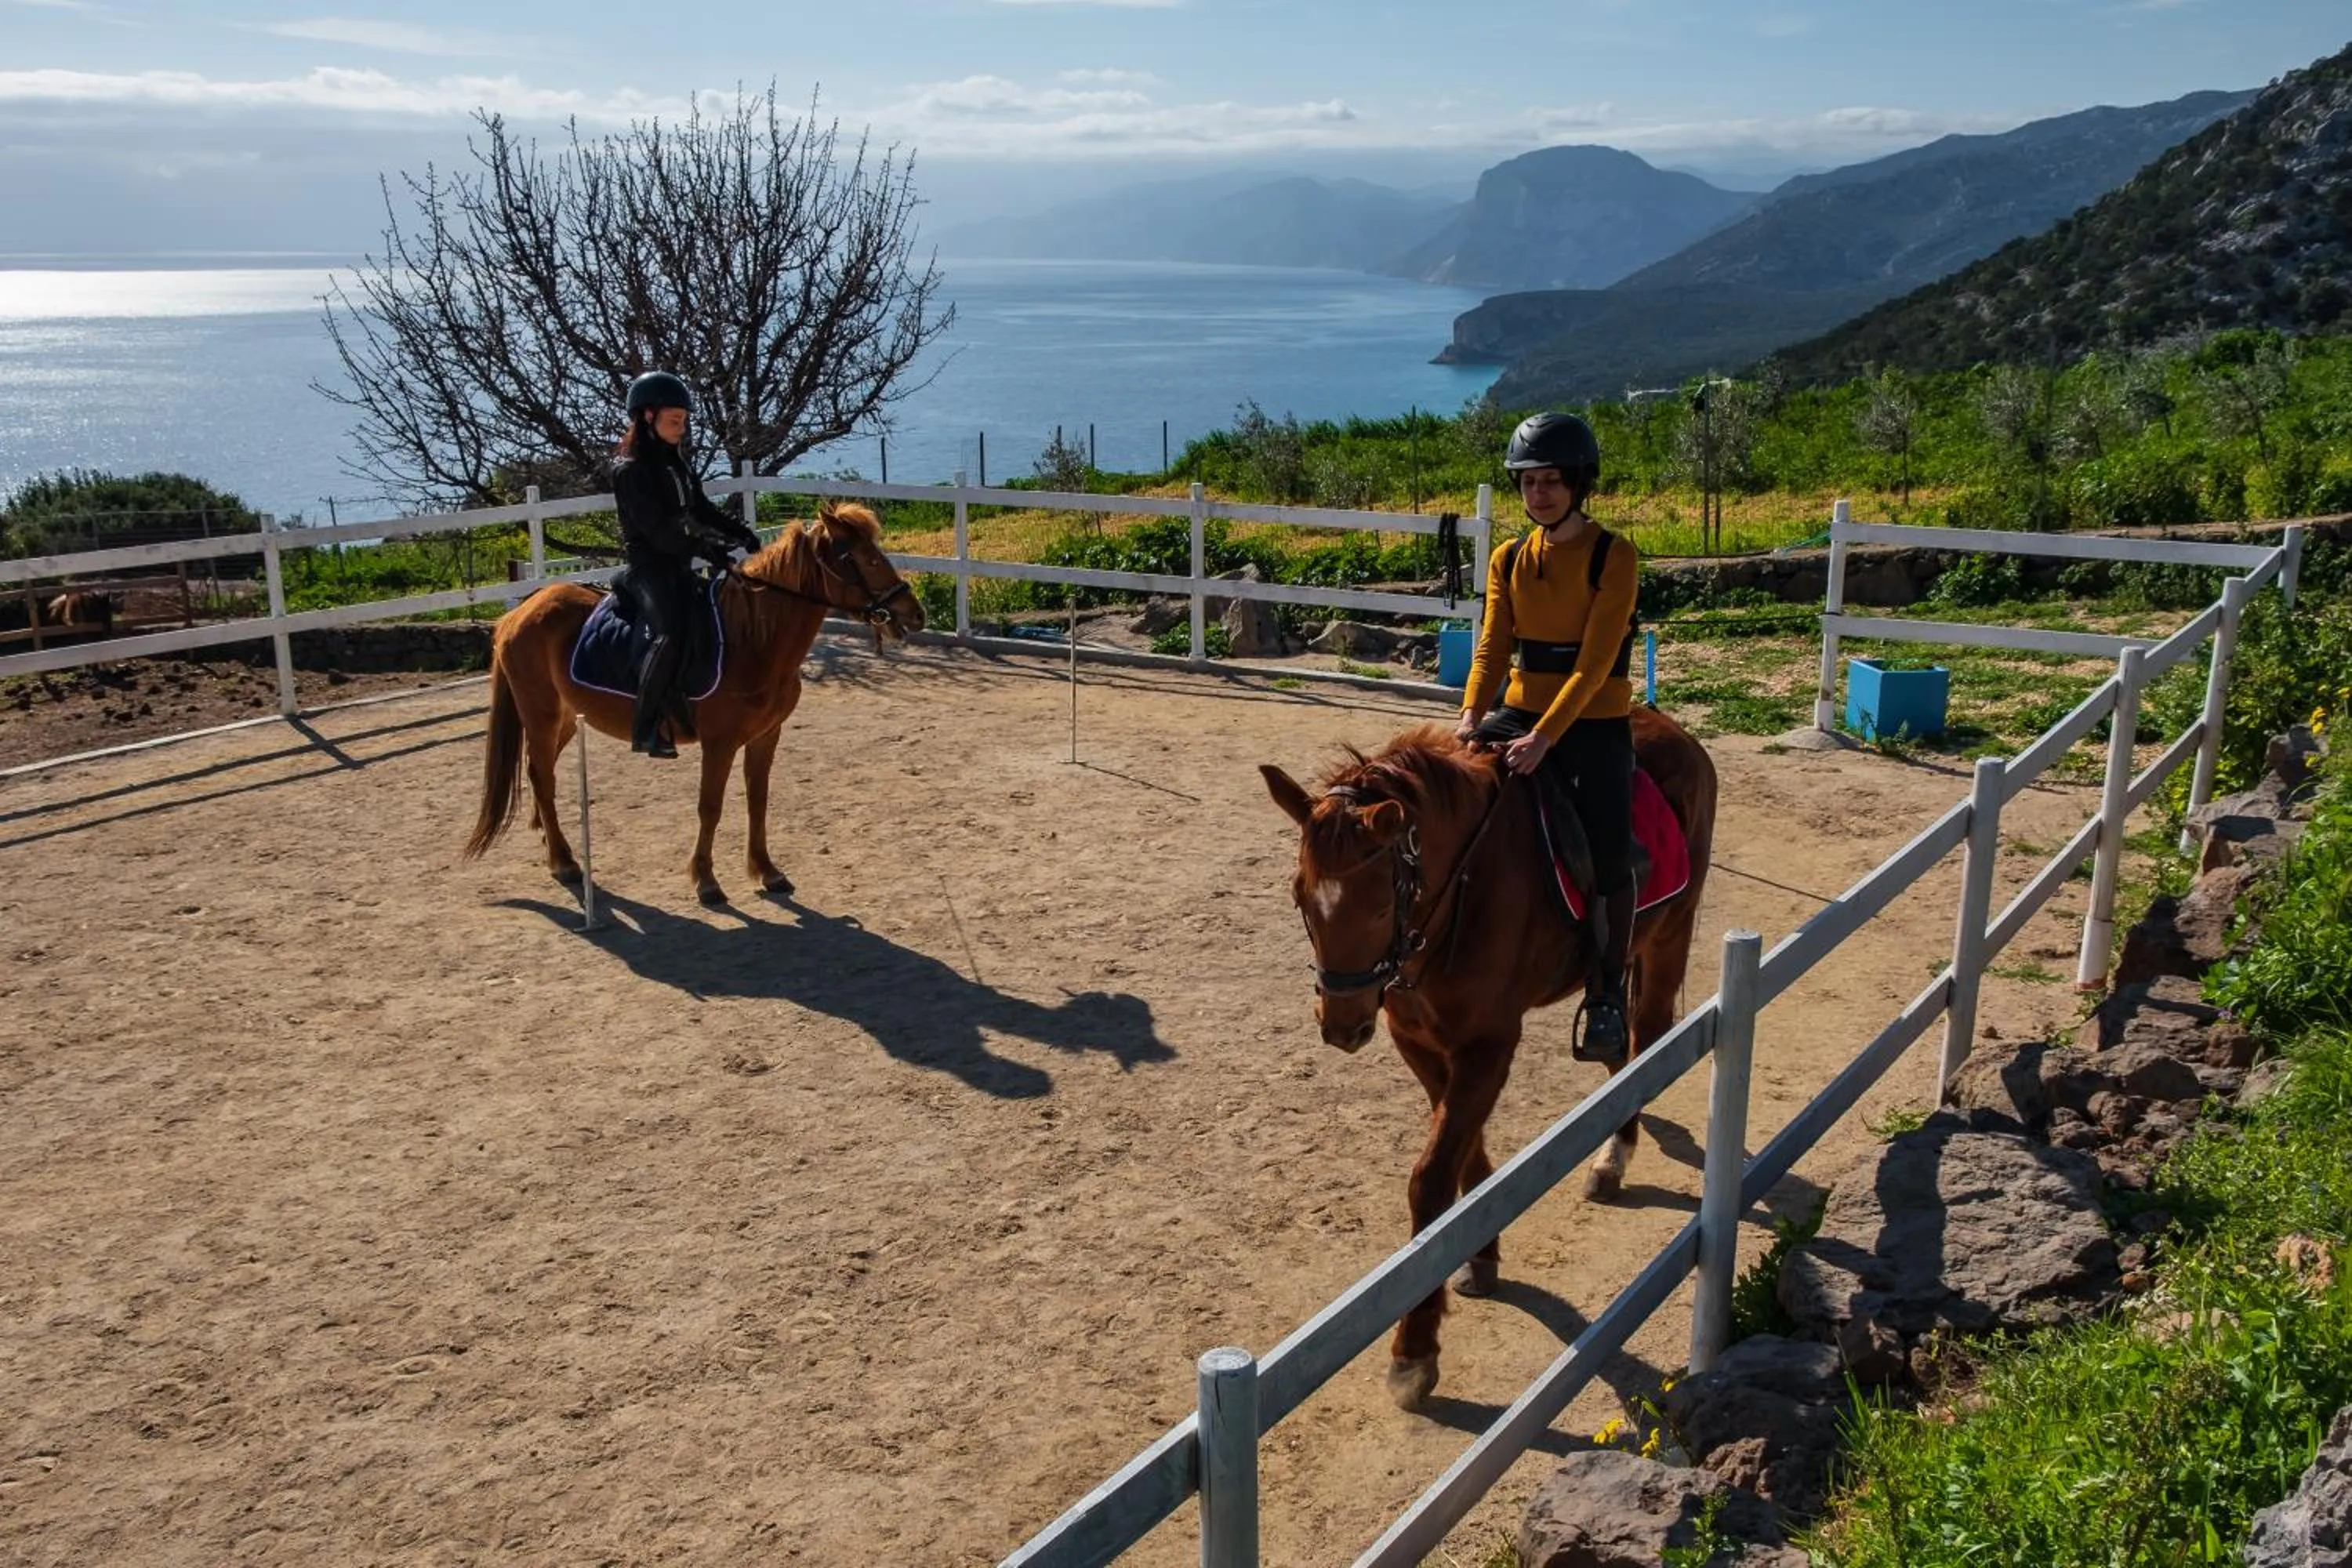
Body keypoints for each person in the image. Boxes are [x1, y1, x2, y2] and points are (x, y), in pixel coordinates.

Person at [1456, 411, 1642, 1059]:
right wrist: (1470, 718)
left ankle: (1607, 993)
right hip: (1518, 709)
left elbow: (1593, 667)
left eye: (1553, 481)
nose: (1540, 494)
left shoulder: (1613, 557)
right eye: (1530, 482)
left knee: (1611, 851)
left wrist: (1544, 740)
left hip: (1593, 722)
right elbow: (1491, 647)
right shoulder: (1509, 558)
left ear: (1579, 484)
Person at [610, 371, 762, 757]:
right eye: (674, 421)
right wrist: (709, 550)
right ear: (647, 417)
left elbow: (701, 509)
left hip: (679, 565)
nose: (682, 428)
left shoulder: (675, 464)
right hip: (649, 569)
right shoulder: (630, 472)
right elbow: (659, 532)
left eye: (683, 421)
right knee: (671, 634)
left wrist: (739, 532)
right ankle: (644, 728)